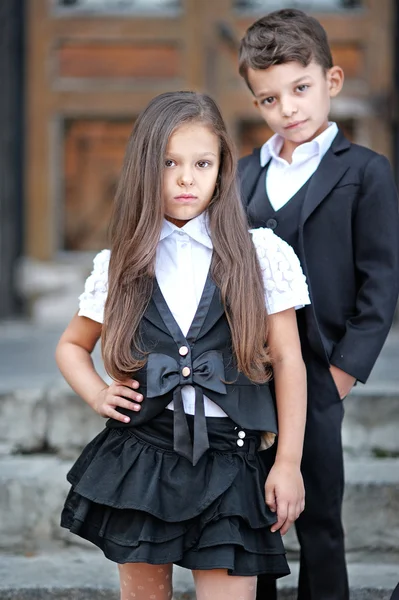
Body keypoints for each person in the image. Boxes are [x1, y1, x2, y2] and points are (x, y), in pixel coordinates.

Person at [56, 91, 311, 600]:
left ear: (222, 169)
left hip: (230, 459)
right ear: (146, 168)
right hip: (144, 456)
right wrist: (97, 393)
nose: (186, 177)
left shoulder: (260, 254)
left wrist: (287, 462)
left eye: (202, 163)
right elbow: (71, 345)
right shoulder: (123, 261)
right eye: (169, 163)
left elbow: (287, 358)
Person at [237, 8, 399, 600]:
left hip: (320, 372)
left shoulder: (364, 172)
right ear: (257, 104)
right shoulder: (243, 177)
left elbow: (380, 281)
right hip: (250, 378)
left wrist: (341, 374)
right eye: (271, 99)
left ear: (330, 81)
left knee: (320, 518)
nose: (289, 109)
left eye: (300, 89)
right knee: (252, 520)